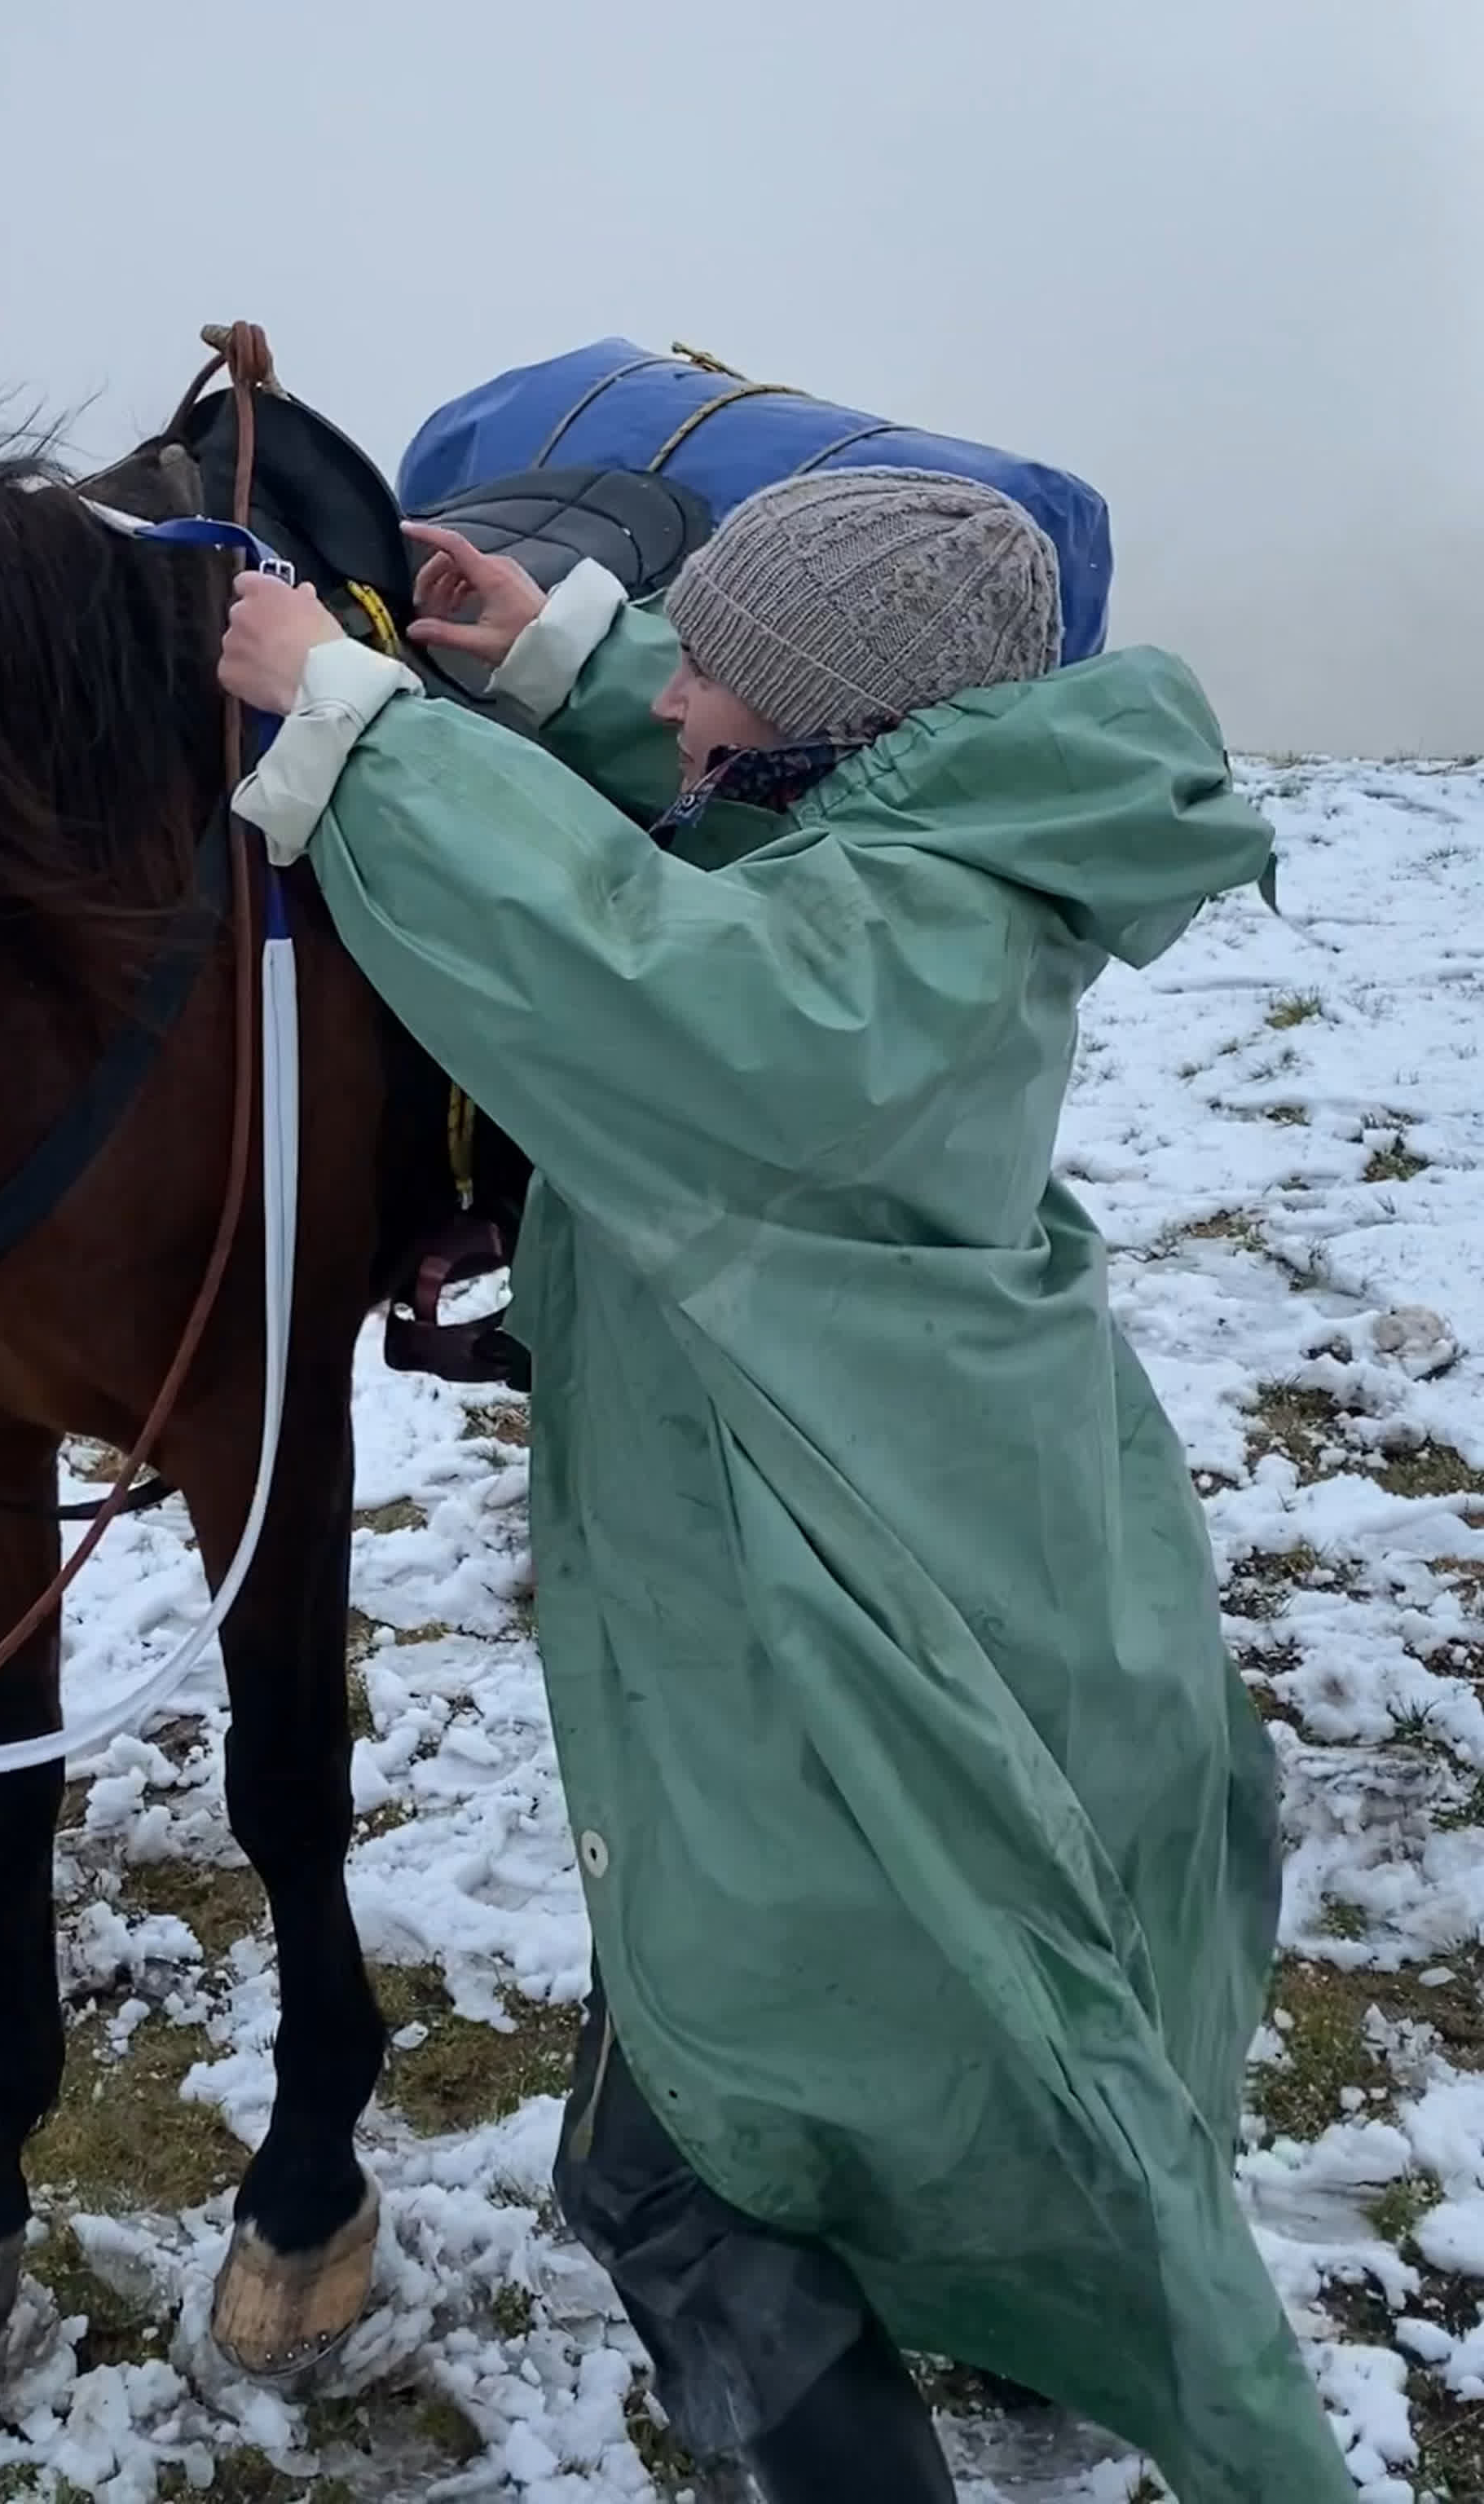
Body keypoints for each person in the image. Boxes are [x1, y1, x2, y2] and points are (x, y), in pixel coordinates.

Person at [216, 469, 1356, 2504]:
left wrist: (354, 724)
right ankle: (1048, 2342)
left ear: (833, 730)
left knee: (674, 2167)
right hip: (981, 1574)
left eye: (705, 666)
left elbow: (654, 981)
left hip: (864, 1649)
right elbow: (792, 817)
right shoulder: (957, 845)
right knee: (975, 2061)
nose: (677, 702)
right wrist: (560, 652)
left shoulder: (872, 967)